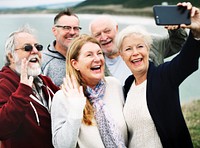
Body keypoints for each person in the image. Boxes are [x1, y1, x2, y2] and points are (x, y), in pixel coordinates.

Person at [115, 2, 200, 147]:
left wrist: (197, 33)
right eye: (128, 49)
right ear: (121, 55)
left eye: (140, 46)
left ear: (148, 50)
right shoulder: (128, 86)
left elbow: (187, 61)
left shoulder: (163, 76)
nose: (135, 53)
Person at [51, 34, 128, 147]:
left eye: (99, 53)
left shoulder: (114, 85)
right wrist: (76, 109)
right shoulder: (62, 97)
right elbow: (61, 145)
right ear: (75, 64)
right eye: (89, 55)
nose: (97, 59)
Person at [0, 25, 59, 148]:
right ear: (11, 56)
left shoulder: (44, 82)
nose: (35, 51)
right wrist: (23, 91)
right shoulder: (3, 84)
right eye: (27, 48)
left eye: (38, 47)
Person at [89, 14, 188, 85]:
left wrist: (175, 29)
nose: (104, 37)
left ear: (116, 28)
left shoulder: (146, 41)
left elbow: (177, 43)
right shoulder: (95, 64)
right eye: (98, 34)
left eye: (107, 31)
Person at [41, 8, 81, 87]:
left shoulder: (85, 56)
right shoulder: (42, 61)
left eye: (76, 28)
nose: (72, 32)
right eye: (67, 28)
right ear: (54, 31)